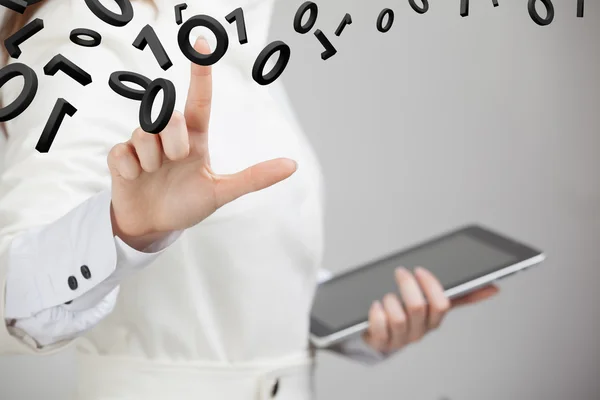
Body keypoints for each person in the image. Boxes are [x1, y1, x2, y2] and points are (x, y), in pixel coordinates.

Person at [0, 0, 498, 398]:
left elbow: (236, 262)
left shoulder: (225, 25)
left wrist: (359, 324)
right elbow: (14, 291)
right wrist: (126, 229)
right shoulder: (87, 27)